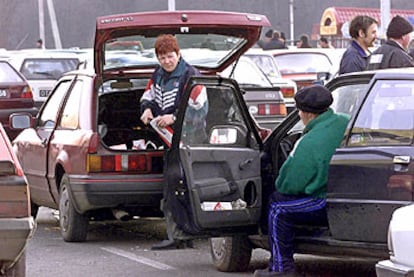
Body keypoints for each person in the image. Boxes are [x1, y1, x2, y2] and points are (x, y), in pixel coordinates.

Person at [253, 85, 349, 277]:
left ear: (307, 114)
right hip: (346, 195)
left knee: (277, 207)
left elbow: (289, 184)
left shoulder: (309, 142)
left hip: (323, 201)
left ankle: (282, 269)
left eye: (299, 111)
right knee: (280, 202)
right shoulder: (344, 122)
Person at [140, 34, 207, 250]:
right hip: (168, 141)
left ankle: (184, 235)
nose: (166, 61)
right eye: (162, 57)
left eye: (170, 56)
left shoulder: (191, 76)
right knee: (171, 188)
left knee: (182, 187)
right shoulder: (158, 75)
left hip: (189, 141)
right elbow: (147, 95)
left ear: (178, 54)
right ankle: (178, 235)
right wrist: (147, 109)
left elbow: (199, 108)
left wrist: (175, 117)